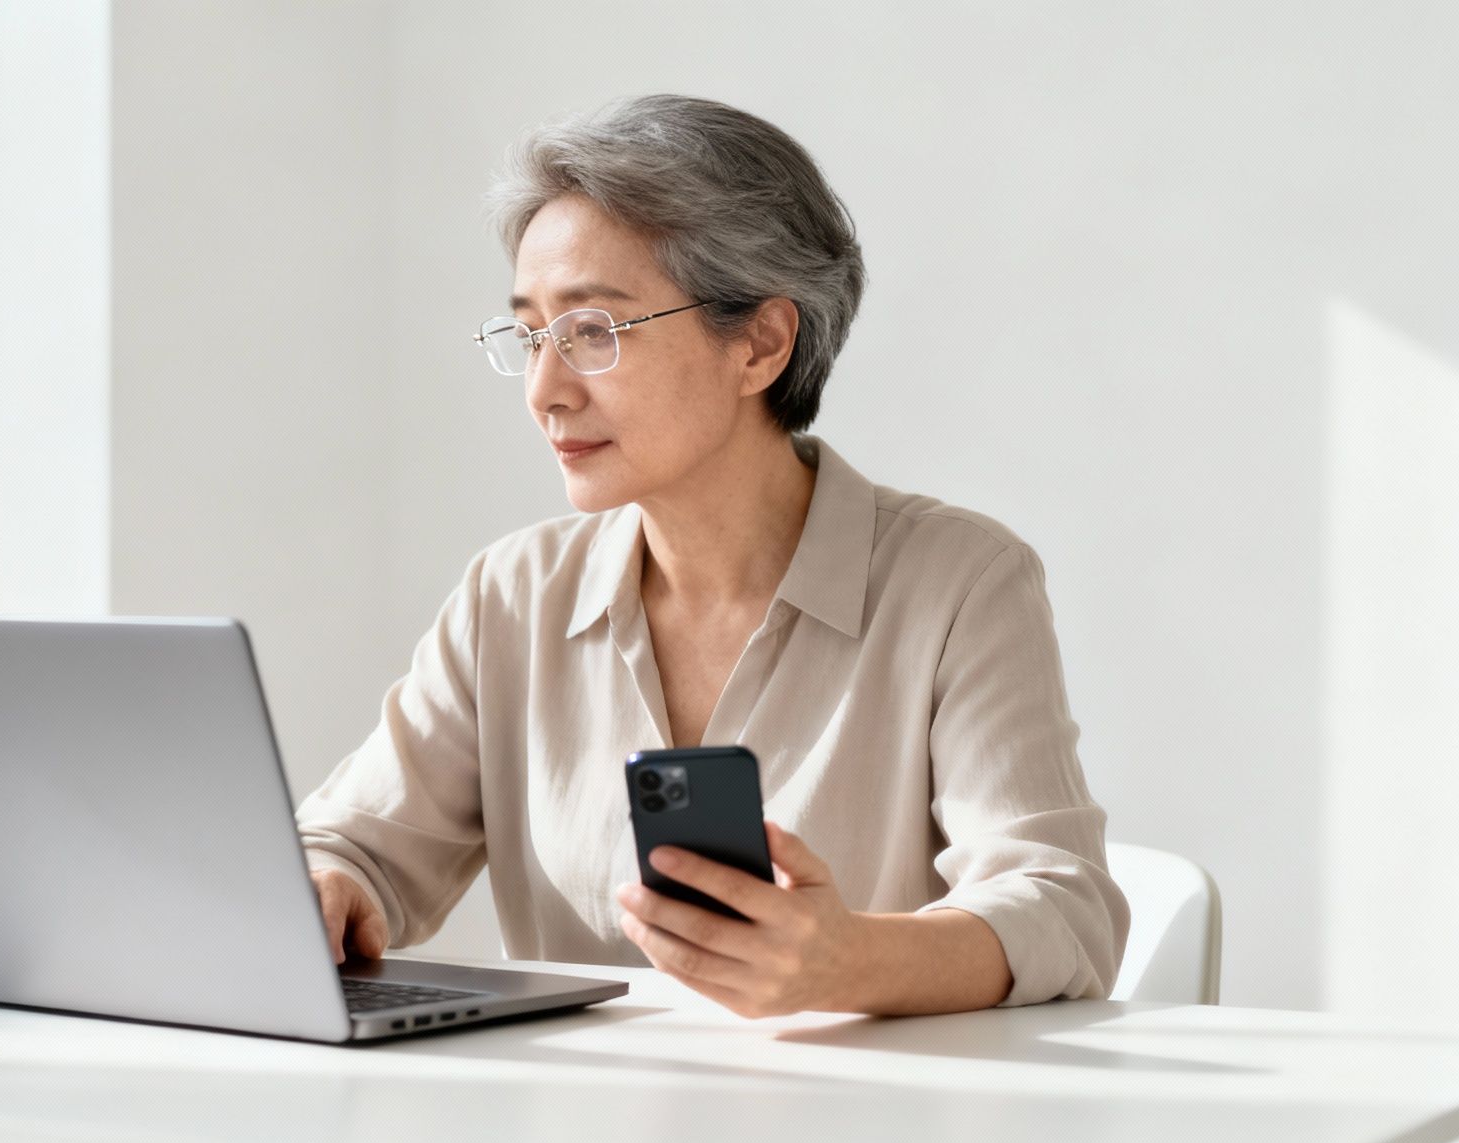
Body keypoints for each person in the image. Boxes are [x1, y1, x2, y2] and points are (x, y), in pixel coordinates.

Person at [295, 93, 1129, 1017]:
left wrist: (848, 961)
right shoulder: (514, 594)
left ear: (761, 345)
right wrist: (326, 884)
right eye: (532, 333)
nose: (545, 391)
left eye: (592, 333)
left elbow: (1063, 910)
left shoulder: (958, 583)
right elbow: (357, 844)